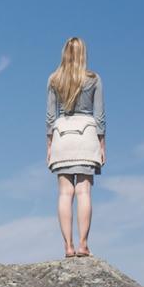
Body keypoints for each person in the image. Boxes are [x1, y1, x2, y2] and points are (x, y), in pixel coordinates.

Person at [46, 37, 106, 258]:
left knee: (64, 193)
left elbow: (50, 116)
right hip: (86, 134)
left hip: (62, 134)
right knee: (83, 191)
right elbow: (99, 115)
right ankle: (83, 245)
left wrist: (50, 145)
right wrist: (101, 144)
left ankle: (68, 247)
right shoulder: (94, 79)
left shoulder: (54, 80)